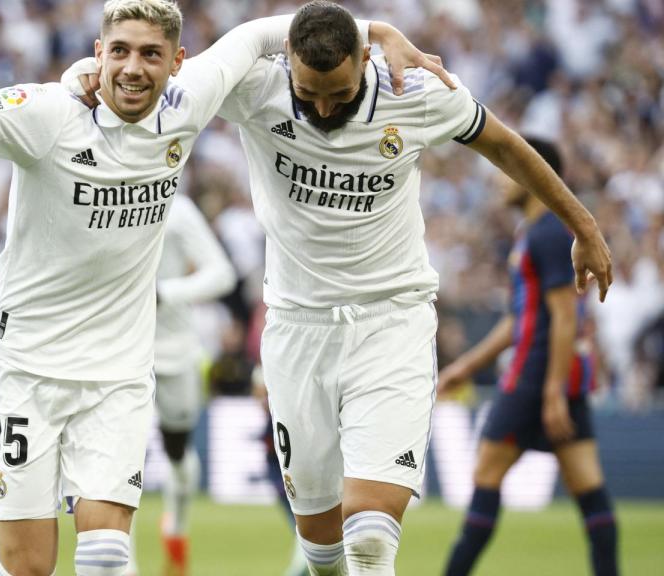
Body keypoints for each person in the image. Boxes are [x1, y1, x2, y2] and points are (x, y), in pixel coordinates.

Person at [0, 2, 446, 574]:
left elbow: (271, 30)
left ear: (177, 63)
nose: (133, 67)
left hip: (116, 376)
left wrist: (380, 32)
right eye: (118, 50)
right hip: (26, 369)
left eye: (149, 54)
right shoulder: (44, 114)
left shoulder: (190, 103)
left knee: (106, 555)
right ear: (98, 53)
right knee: (28, 565)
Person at [56, 1, 617, 574]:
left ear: (365, 61)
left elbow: (505, 144)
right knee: (322, 549)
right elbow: (157, 76)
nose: (323, 108)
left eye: (340, 95)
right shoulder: (254, 88)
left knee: (371, 539)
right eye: (309, 94)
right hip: (297, 331)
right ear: (287, 66)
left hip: (391, 321)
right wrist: (84, 73)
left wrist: (583, 224)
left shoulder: (414, 91)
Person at [438, 138, 618, 576]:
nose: (501, 179)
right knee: (589, 490)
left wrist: (551, 390)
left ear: (533, 172)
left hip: (535, 377)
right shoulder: (535, 233)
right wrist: (466, 367)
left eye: (508, 168)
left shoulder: (550, 233)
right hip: (558, 376)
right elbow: (522, 318)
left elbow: (564, 316)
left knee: (485, 475)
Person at [126, 193, 235, 576]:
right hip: (120, 349)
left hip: (174, 349)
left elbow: (222, 273)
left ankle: (176, 526)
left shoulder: (177, 206)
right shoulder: (97, 189)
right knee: (122, 458)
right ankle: (124, 563)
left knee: (178, 452)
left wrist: (165, 293)